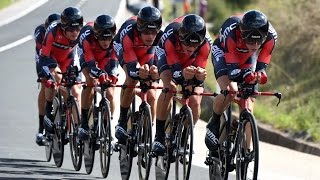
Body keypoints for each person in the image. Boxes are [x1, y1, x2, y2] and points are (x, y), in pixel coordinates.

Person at [205, 10, 277, 152]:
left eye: (259, 40)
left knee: (249, 103)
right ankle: (213, 122)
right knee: (231, 91)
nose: (255, 44)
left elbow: (262, 65)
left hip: (247, 58)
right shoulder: (231, 30)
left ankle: (246, 151)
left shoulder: (271, 36)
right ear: (242, 33)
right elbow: (233, 72)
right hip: (224, 54)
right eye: (251, 40)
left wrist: (259, 74)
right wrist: (246, 76)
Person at [151, 14, 211, 155]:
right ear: (181, 37)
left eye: (195, 45)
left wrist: (199, 74)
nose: (191, 48)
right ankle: (159, 136)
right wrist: (182, 75)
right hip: (168, 57)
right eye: (188, 44)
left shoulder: (206, 43)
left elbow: (200, 69)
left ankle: (184, 138)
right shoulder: (171, 35)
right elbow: (176, 73)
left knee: (195, 100)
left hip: (190, 63)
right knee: (169, 87)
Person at [113, 6, 163, 144]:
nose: (150, 36)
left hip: (146, 52)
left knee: (152, 93)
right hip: (125, 49)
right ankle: (122, 121)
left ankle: (147, 132)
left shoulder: (160, 36)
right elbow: (131, 67)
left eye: (154, 32)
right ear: (139, 29)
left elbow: (163, 64)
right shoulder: (129, 31)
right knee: (132, 79)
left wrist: (155, 72)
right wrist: (137, 71)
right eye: (146, 32)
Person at [39, 7, 84, 135]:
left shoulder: (82, 32)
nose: (74, 32)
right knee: (54, 81)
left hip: (68, 58)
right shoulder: (53, 31)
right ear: (63, 27)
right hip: (51, 56)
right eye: (70, 29)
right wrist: (50, 73)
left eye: (77, 28)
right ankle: (49, 110)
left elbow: (85, 54)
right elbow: (44, 56)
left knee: (75, 90)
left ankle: (78, 128)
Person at [77, 14, 119, 140]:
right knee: (90, 80)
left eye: (108, 39)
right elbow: (90, 65)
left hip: (105, 58)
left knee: (110, 93)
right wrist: (99, 75)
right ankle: (83, 123)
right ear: (96, 36)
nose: (106, 42)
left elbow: (114, 62)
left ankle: (107, 124)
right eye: (102, 39)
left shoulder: (116, 40)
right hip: (88, 55)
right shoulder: (87, 38)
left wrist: (112, 76)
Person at [34, 13, 61, 146]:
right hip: (44, 55)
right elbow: (42, 55)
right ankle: (41, 128)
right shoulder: (41, 32)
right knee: (46, 84)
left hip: (61, 55)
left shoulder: (63, 32)